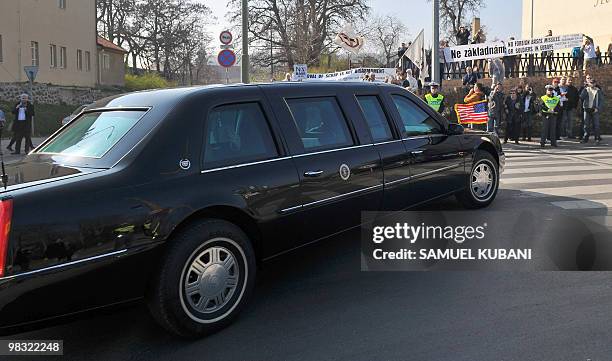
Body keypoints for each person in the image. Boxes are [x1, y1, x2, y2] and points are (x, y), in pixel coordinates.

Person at [579, 75, 604, 145]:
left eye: (593, 82)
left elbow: (602, 101)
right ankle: (585, 138)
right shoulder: (586, 89)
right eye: (591, 82)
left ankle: (597, 138)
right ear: (589, 83)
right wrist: (584, 88)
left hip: (595, 109)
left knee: (596, 125)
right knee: (586, 125)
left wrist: (598, 109)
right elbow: (581, 97)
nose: (592, 84)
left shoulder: (598, 91)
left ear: (595, 83)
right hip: (587, 109)